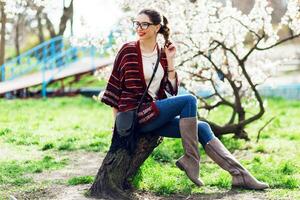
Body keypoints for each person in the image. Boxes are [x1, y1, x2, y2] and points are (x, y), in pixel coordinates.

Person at [100, 8, 269, 190]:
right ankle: (191, 159)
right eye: (137, 23)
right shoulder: (128, 50)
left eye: (145, 24)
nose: (139, 28)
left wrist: (170, 61)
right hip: (136, 116)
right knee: (189, 100)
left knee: (203, 127)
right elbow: (114, 88)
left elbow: (170, 91)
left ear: (157, 27)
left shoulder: (161, 53)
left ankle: (240, 175)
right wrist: (118, 125)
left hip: (154, 114)